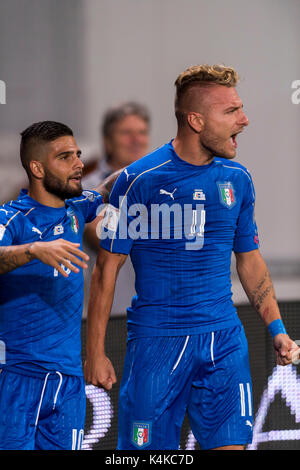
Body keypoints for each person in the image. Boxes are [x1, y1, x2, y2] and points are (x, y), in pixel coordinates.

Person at [84, 64, 299, 451]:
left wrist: (277, 328)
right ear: (196, 120)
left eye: (241, 108)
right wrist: (96, 353)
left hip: (224, 339)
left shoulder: (238, 179)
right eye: (231, 111)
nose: (244, 120)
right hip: (156, 344)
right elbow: (106, 270)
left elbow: (249, 260)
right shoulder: (137, 180)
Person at [0, 121, 106, 450]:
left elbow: (110, 186)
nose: (77, 164)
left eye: (77, 154)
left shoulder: (78, 208)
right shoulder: (11, 218)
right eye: (64, 157)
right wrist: (33, 250)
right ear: (37, 167)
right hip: (15, 377)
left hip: (68, 380)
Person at [82, 102, 151, 317]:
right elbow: (102, 236)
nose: (136, 140)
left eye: (142, 132)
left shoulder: (163, 185)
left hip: (157, 315)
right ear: (107, 141)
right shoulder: (85, 188)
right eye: (126, 133)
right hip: (111, 314)